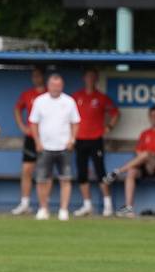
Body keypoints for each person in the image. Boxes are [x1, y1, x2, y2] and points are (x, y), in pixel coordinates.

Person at [105, 106, 155, 218]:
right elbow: (139, 153)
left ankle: (117, 171)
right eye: (152, 116)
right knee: (132, 172)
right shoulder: (145, 133)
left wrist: (154, 155)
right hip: (145, 165)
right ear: (149, 117)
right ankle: (129, 208)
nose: (154, 118)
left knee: (147, 154)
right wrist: (147, 157)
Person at [29, 74, 80, 221]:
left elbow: (75, 122)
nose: (55, 88)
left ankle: (63, 210)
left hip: (64, 147)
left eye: (58, 85)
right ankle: (43, 208)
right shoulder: (40, 101)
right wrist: (37, 141)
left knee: (65, 179)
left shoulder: (69, 101)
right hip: (45, 147)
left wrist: (72, 140)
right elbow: (33, 123)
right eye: (53, 85)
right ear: (48, 85)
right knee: (42, 180)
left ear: (62, 86)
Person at [71, 68, 119, 217]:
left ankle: (108, 205)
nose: (90, 79)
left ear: (96, 79)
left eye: (93, 77)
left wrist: (109, 126)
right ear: (84, 78)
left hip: (95, 139)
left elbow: (115, 113)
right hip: (79, 139)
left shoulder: (101, 98)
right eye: (88, 77)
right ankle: (87, 205)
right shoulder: (76, 97)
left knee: (100, 172)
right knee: (82, 172)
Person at [11, 67, 46, 215]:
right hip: (31, 138)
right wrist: (22, 126)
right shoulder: (28, 94)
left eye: (39, 75)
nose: (36, 78)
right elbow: (17, 109)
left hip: (48, 139)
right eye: (34, 76)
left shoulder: (49, 95)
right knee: (27, 170)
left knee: (45, 172)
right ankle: (25, 203)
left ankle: (44, 206)